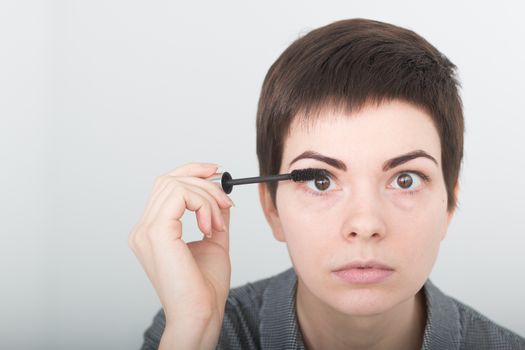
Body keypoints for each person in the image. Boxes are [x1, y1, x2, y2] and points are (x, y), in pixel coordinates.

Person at [128, 18, 525, 349]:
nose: (365, 223)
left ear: (449, 206)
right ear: (272, 208)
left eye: (405, 179)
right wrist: (194, 329)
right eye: (320, 180)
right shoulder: (193, 333)